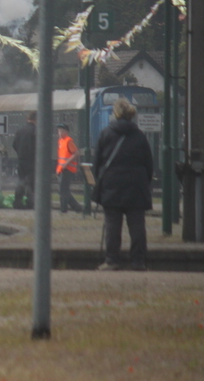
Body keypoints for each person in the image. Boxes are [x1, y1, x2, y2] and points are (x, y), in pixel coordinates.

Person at [92, 98, 153, 270]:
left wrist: (101, 182)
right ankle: (138, 261)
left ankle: (112, 260)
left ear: (116, 114)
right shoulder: (140, 136)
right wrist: (143, 183)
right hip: (136, 186)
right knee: (137, 226)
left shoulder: (106, 134)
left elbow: (97, 163)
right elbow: (149, 164)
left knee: (112, 225)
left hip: (112, 186)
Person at [55, 123, 82, 213]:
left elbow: (76, 153)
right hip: (62, 169)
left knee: (63, 190)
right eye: (59, 131)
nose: (60, 133)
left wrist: (66, 163)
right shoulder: (60, 141)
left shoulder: (68, 141)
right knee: (63, 190)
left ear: (67, 132)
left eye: (62, 131)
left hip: (68, 169)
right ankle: (77, 207)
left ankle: (63, 210)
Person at [12, 111, 36, 209]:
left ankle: (17, 201)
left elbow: (14, 144)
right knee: (31, 182)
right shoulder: (35, 131)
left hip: (21, 160)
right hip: (32, 161)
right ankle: (30, 202)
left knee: (21, 181)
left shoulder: (20, 130)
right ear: (36, 119)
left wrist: (20, 153)